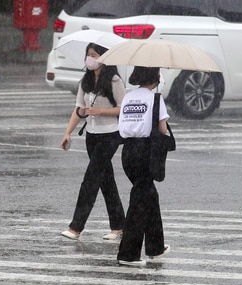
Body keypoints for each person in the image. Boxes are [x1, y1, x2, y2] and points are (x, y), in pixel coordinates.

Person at [59, 43, 126, 241]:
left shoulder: (114, 81)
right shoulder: (85, 81)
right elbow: (78, 108)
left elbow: (123, 109)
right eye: (88, 55)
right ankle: (119, 225)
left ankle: (76, 227)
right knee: (106, 181)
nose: (90, 59)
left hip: (110, 135)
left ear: (104, 58)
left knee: (91, 179)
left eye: (94, 55)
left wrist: (100, 111)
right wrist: (67, 133)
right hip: (92, 135)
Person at [117, 66, 171, 266]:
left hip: (128, 152)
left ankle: (155, 248)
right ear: (154, 77)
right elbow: (163, 129)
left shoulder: (129, 97)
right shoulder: (155, 99)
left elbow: (122, 124)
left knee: (148, 195)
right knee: (140, 201)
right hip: (146, 153)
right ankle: (128, 254)